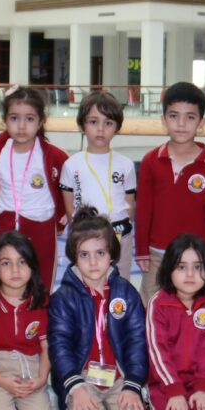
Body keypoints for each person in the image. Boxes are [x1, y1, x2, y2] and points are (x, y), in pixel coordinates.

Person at [48, 207, 147, 410]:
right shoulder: (63, 298)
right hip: (82, 377)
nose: (93, 262)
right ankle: (75, 406)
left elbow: (138, 341)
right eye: (84, 255)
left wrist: (132, 385)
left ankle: (115, 405)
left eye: (100, 253)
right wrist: (75, 387)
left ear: (112, 254)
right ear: (74, 256)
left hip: (119, 376)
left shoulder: (126, 293)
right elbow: (60, 346)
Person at [135, 82, 205, 306]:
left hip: (197, 256)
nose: (181, 124)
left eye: (190, 117)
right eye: (174, 116)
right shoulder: (151, 161)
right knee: (151, 306)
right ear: (164, 119)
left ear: (201, 123)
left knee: (197, 309)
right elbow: (143, 210)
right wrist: (142, 250)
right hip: (157, 253)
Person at [0, 86, 68, 289]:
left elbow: (66, 190)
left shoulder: (54, 156)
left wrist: (60, 221)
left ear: (40, 121)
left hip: (41, 227)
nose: (22, 126)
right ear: (5, 120)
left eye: (29, 119)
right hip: (5, 224)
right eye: (14, 118)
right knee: (5, 283)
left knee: (41, 284)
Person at [0, 231, 56, 410]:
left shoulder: (41, 301)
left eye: (22, 262)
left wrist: (41, 378)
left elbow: (46, 346)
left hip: (31, 370)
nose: (15, 270)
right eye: (6, 263)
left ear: (32, 267)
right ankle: (4, 408)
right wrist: (0, 380)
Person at [145, 234, 205, 410]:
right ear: (168, 269)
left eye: (197, 267)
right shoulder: (159, 303)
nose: (190, 274)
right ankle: (150, 402)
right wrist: (173, 390)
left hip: (199, 380)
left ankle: (194, 403)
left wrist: (203, 388)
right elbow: (157, 351)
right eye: (181, 267)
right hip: (165, 381)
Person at [60, 91, 137, 279]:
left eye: (108, 123)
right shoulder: (71, 165)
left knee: (121, 283)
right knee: (86, 285)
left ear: (117, 127)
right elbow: (70, 209)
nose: (101, 129)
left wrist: (118, 231)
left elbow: (129, 206)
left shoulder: (126, 164)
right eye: (93, 122)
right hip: (86, 237)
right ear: (82, 125)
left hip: (120, 235)